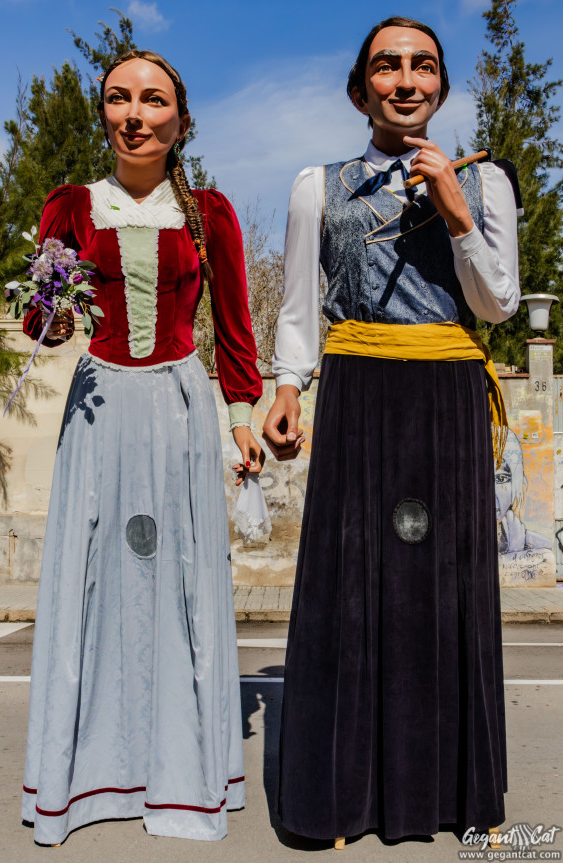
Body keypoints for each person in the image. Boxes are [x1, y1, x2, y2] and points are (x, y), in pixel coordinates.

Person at [263, 17, 519, 845]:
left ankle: (450, 794)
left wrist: (453, 210)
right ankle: (343, 797)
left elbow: (496, 305)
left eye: (422, 67)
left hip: (446, 391)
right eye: (387, 66)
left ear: (439, 86)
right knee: (351, 589)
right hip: (359, 390)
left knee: (446, 588)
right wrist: (287, 388)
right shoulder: (318, 185)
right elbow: (301, 307)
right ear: (360, 85)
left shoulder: (484, 185)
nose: (405, 80)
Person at [21, 49, 264, 846]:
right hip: (98, 405)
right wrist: (51, 320)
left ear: (180, 120)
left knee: (183, 576)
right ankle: (86, 773)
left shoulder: (214, 214)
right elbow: (39, 318)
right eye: (118, 98)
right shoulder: (70, 206)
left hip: (178, 401)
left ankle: (182, 769)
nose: (135, 113)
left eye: (153, 100)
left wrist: (240, 423)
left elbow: (232, 330)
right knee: (91, 578)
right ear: (104, 115)